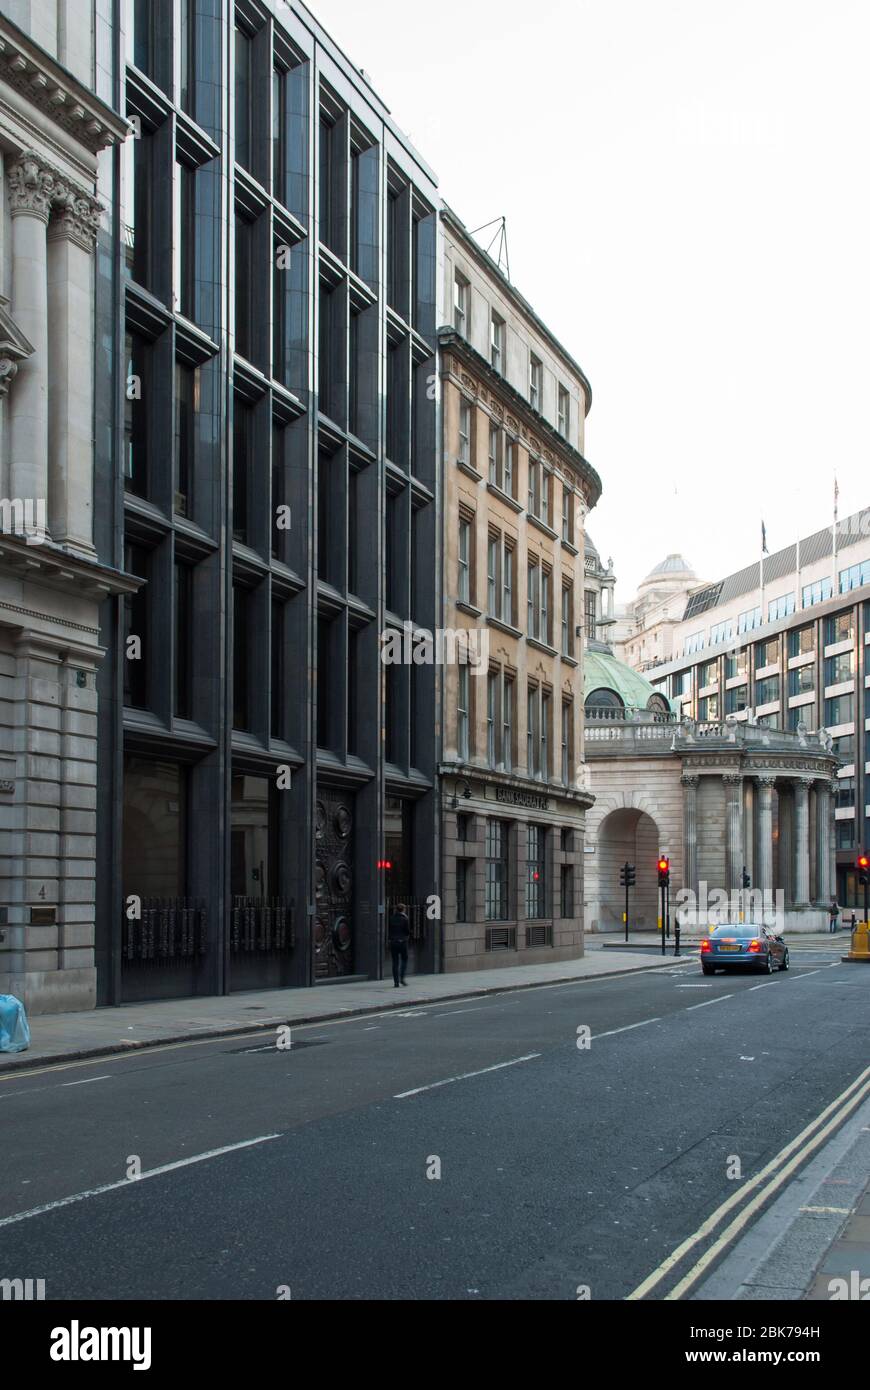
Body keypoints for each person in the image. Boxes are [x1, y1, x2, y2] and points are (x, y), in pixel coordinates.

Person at [388, 903, 411, 987]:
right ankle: (402, 978)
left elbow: (389, 929)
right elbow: (407, 931)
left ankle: (396, 982)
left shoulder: (391, 918)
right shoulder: (405, 919)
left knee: (395, 962)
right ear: (403, 909)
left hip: (393, 942)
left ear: (396, 909)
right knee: (404, 960)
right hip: (402, 942)